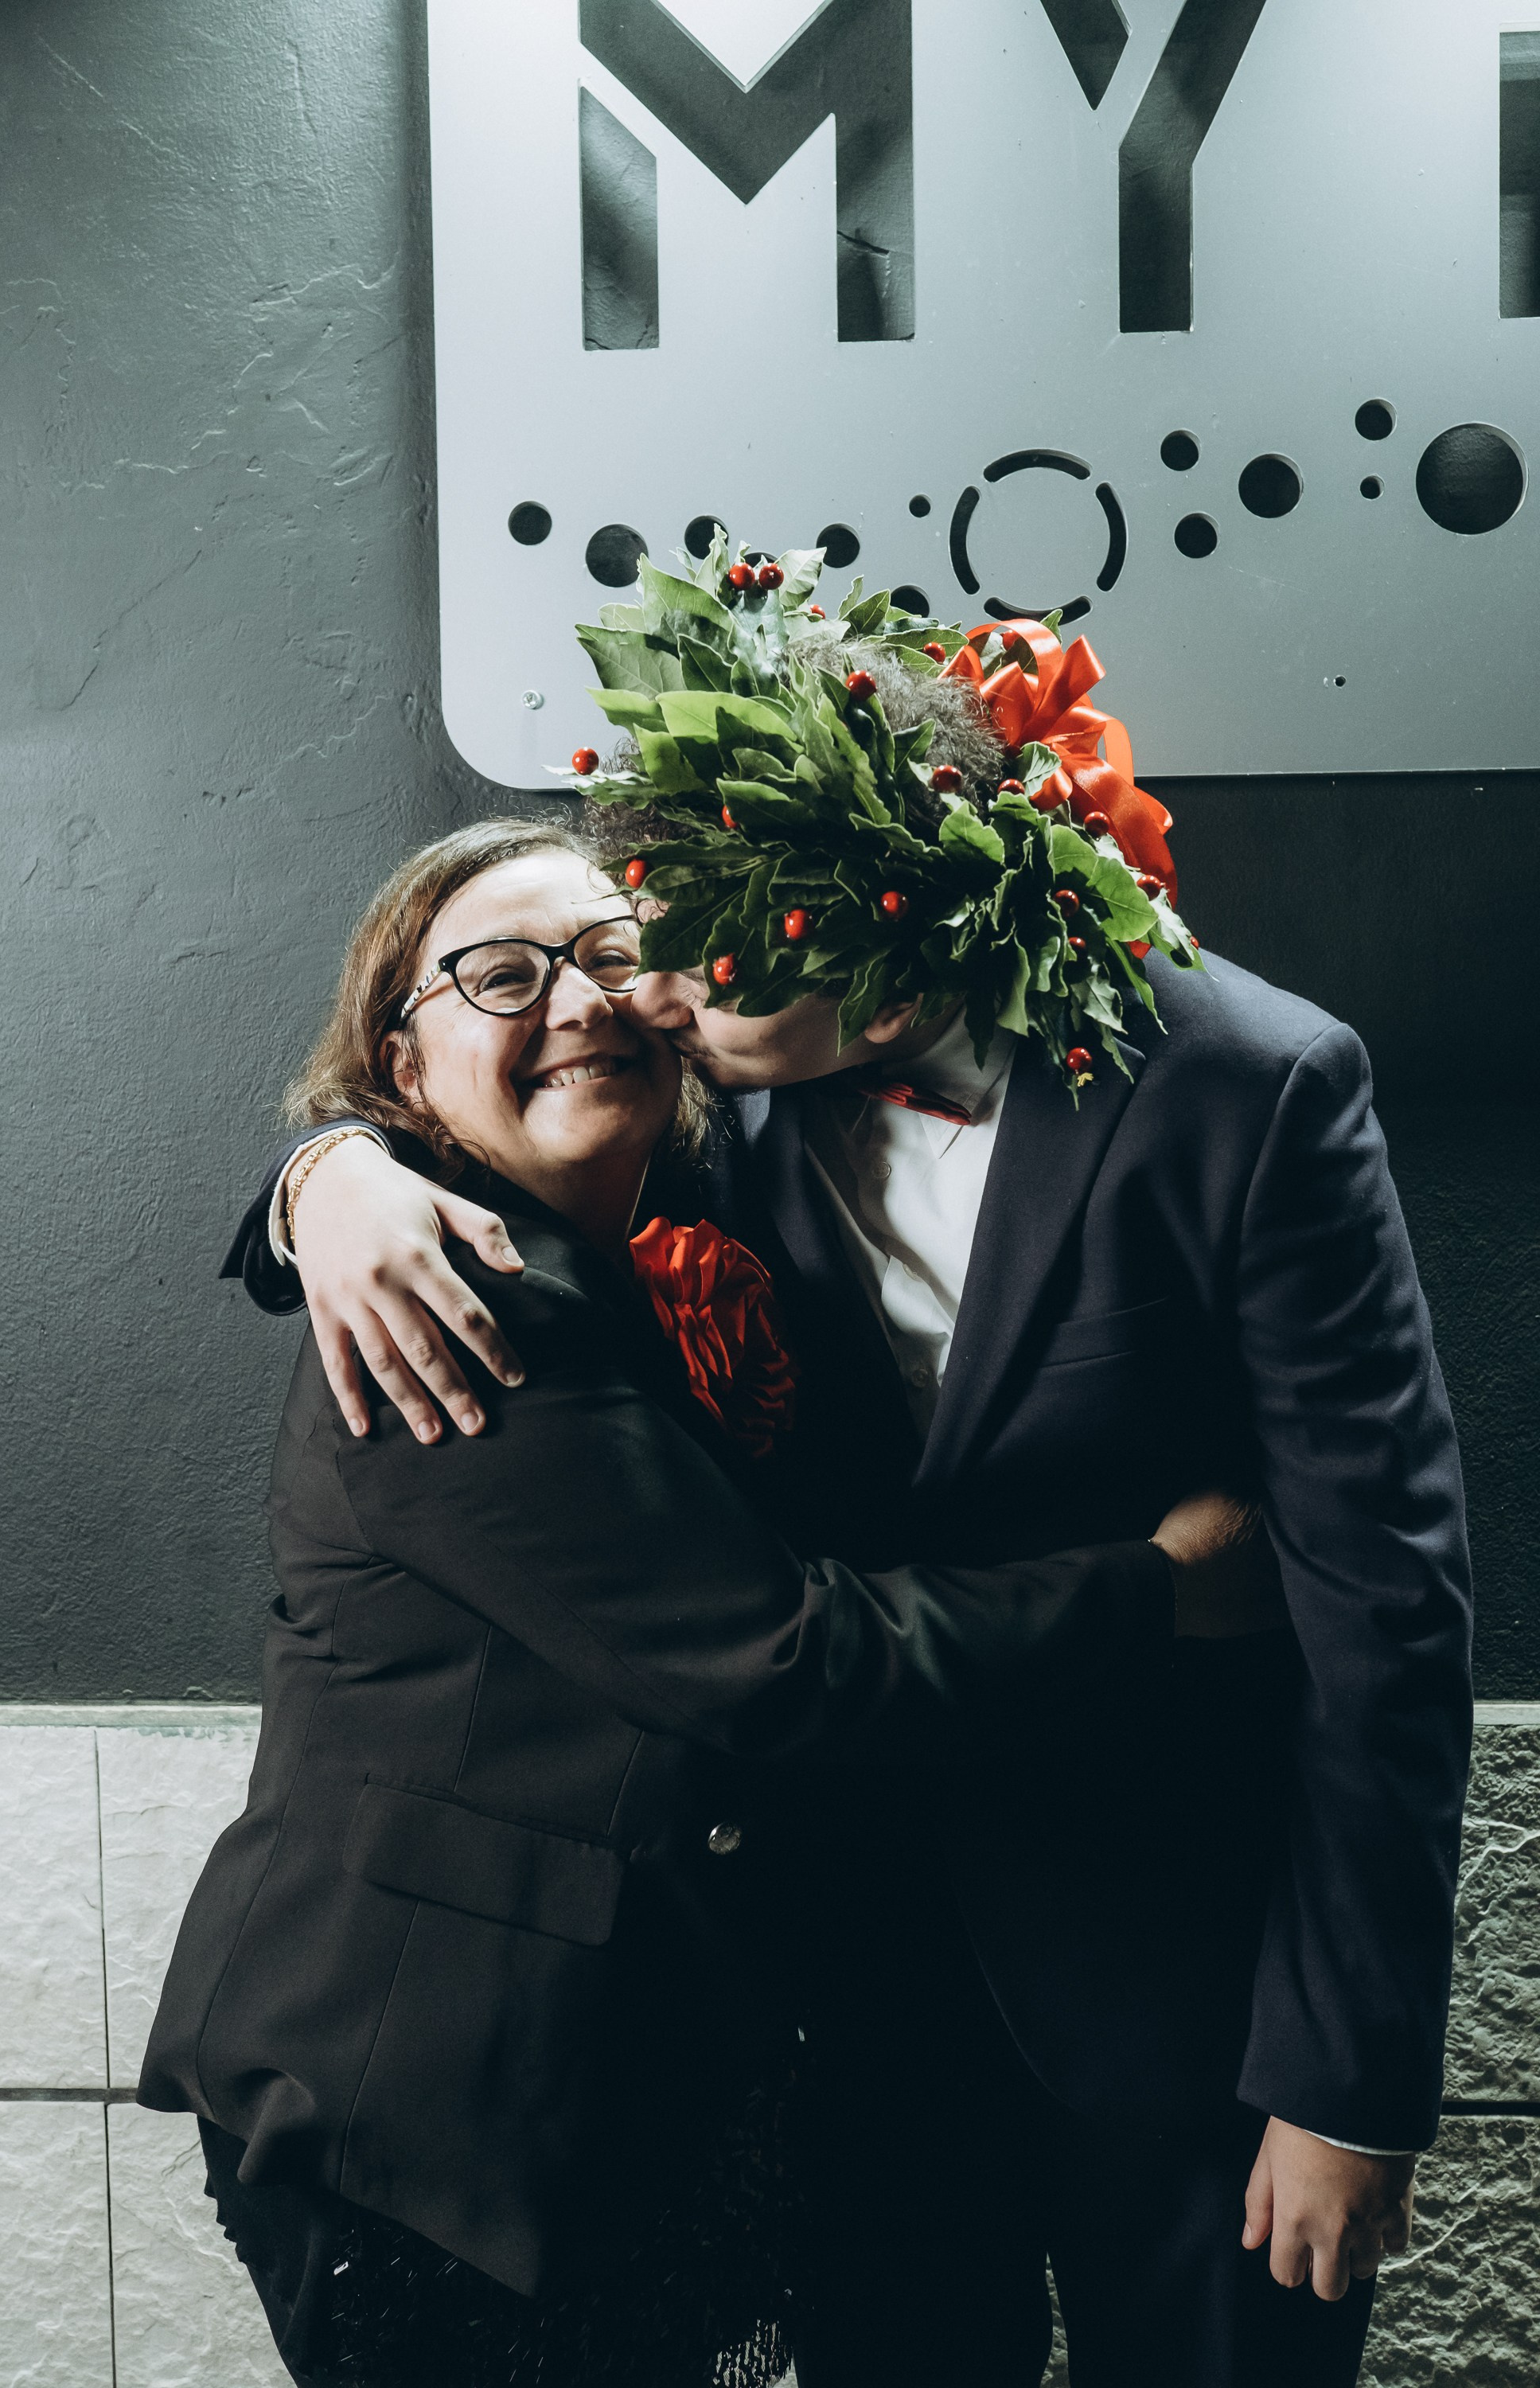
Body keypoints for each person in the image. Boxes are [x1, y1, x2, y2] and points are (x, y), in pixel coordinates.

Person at [221, 551, 1473, 2388]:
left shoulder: (1246, 1086)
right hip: (839, 2000)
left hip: (1180, 2006)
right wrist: (319, 1177)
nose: (647, 988)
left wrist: (1349, 2083)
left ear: (895, 898)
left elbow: (1387, 1609)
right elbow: (454, 1099)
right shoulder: (704, 1083)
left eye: (692, 933)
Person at [142, 817, 1276, 2388]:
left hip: (617, 2092)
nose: (582, 997)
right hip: (424, 2115)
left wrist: (316, 1176)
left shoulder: (679, 1240)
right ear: (402, 1072)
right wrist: (1161, 1595)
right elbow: (782, 1661)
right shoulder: (456, 1303)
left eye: (614, 956)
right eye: (502, 972)